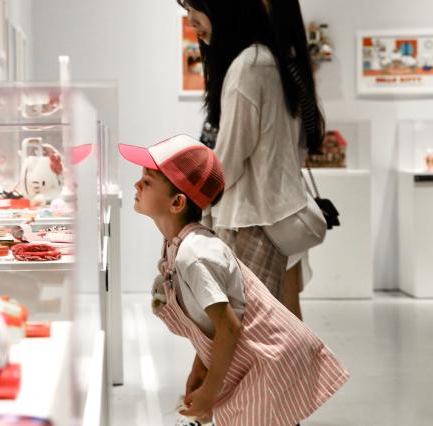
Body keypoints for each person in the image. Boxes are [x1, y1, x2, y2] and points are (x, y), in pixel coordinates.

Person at [119, 134, 348, 425]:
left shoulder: (195, 255)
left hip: (271, 361)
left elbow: (228, 326)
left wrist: (210, 393)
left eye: (148, 181)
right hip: (257, 359)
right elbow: (211, 325)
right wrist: (199, 370)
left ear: (177, 202)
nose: (137, 185)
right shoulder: (177, 245)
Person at [179, 0, 325, 320]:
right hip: (273, 212)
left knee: (252, 331)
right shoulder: (276, 62)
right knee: (276, 324)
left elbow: (229, 159)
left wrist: (194, 204)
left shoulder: (250, 65)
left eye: (196, 8)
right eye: (187, 10)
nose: (191, 20)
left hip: (250, 219)